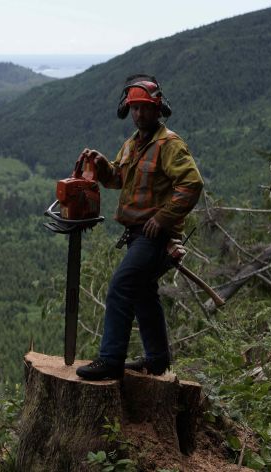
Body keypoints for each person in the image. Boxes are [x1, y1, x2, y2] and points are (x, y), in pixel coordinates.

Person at [75, 74, 204, 381]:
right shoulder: (132, 144)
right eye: (134, 108)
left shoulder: (169, 144)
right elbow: (117, 180)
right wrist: (102, 164)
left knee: (122, 286)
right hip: (137, 236)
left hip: (157, 236)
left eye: (144, 108)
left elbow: (192, 183)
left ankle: (110, 360)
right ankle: (157, 360)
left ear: (158, 109)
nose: (139, 114)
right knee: (144, 293)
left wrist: (162, 218)